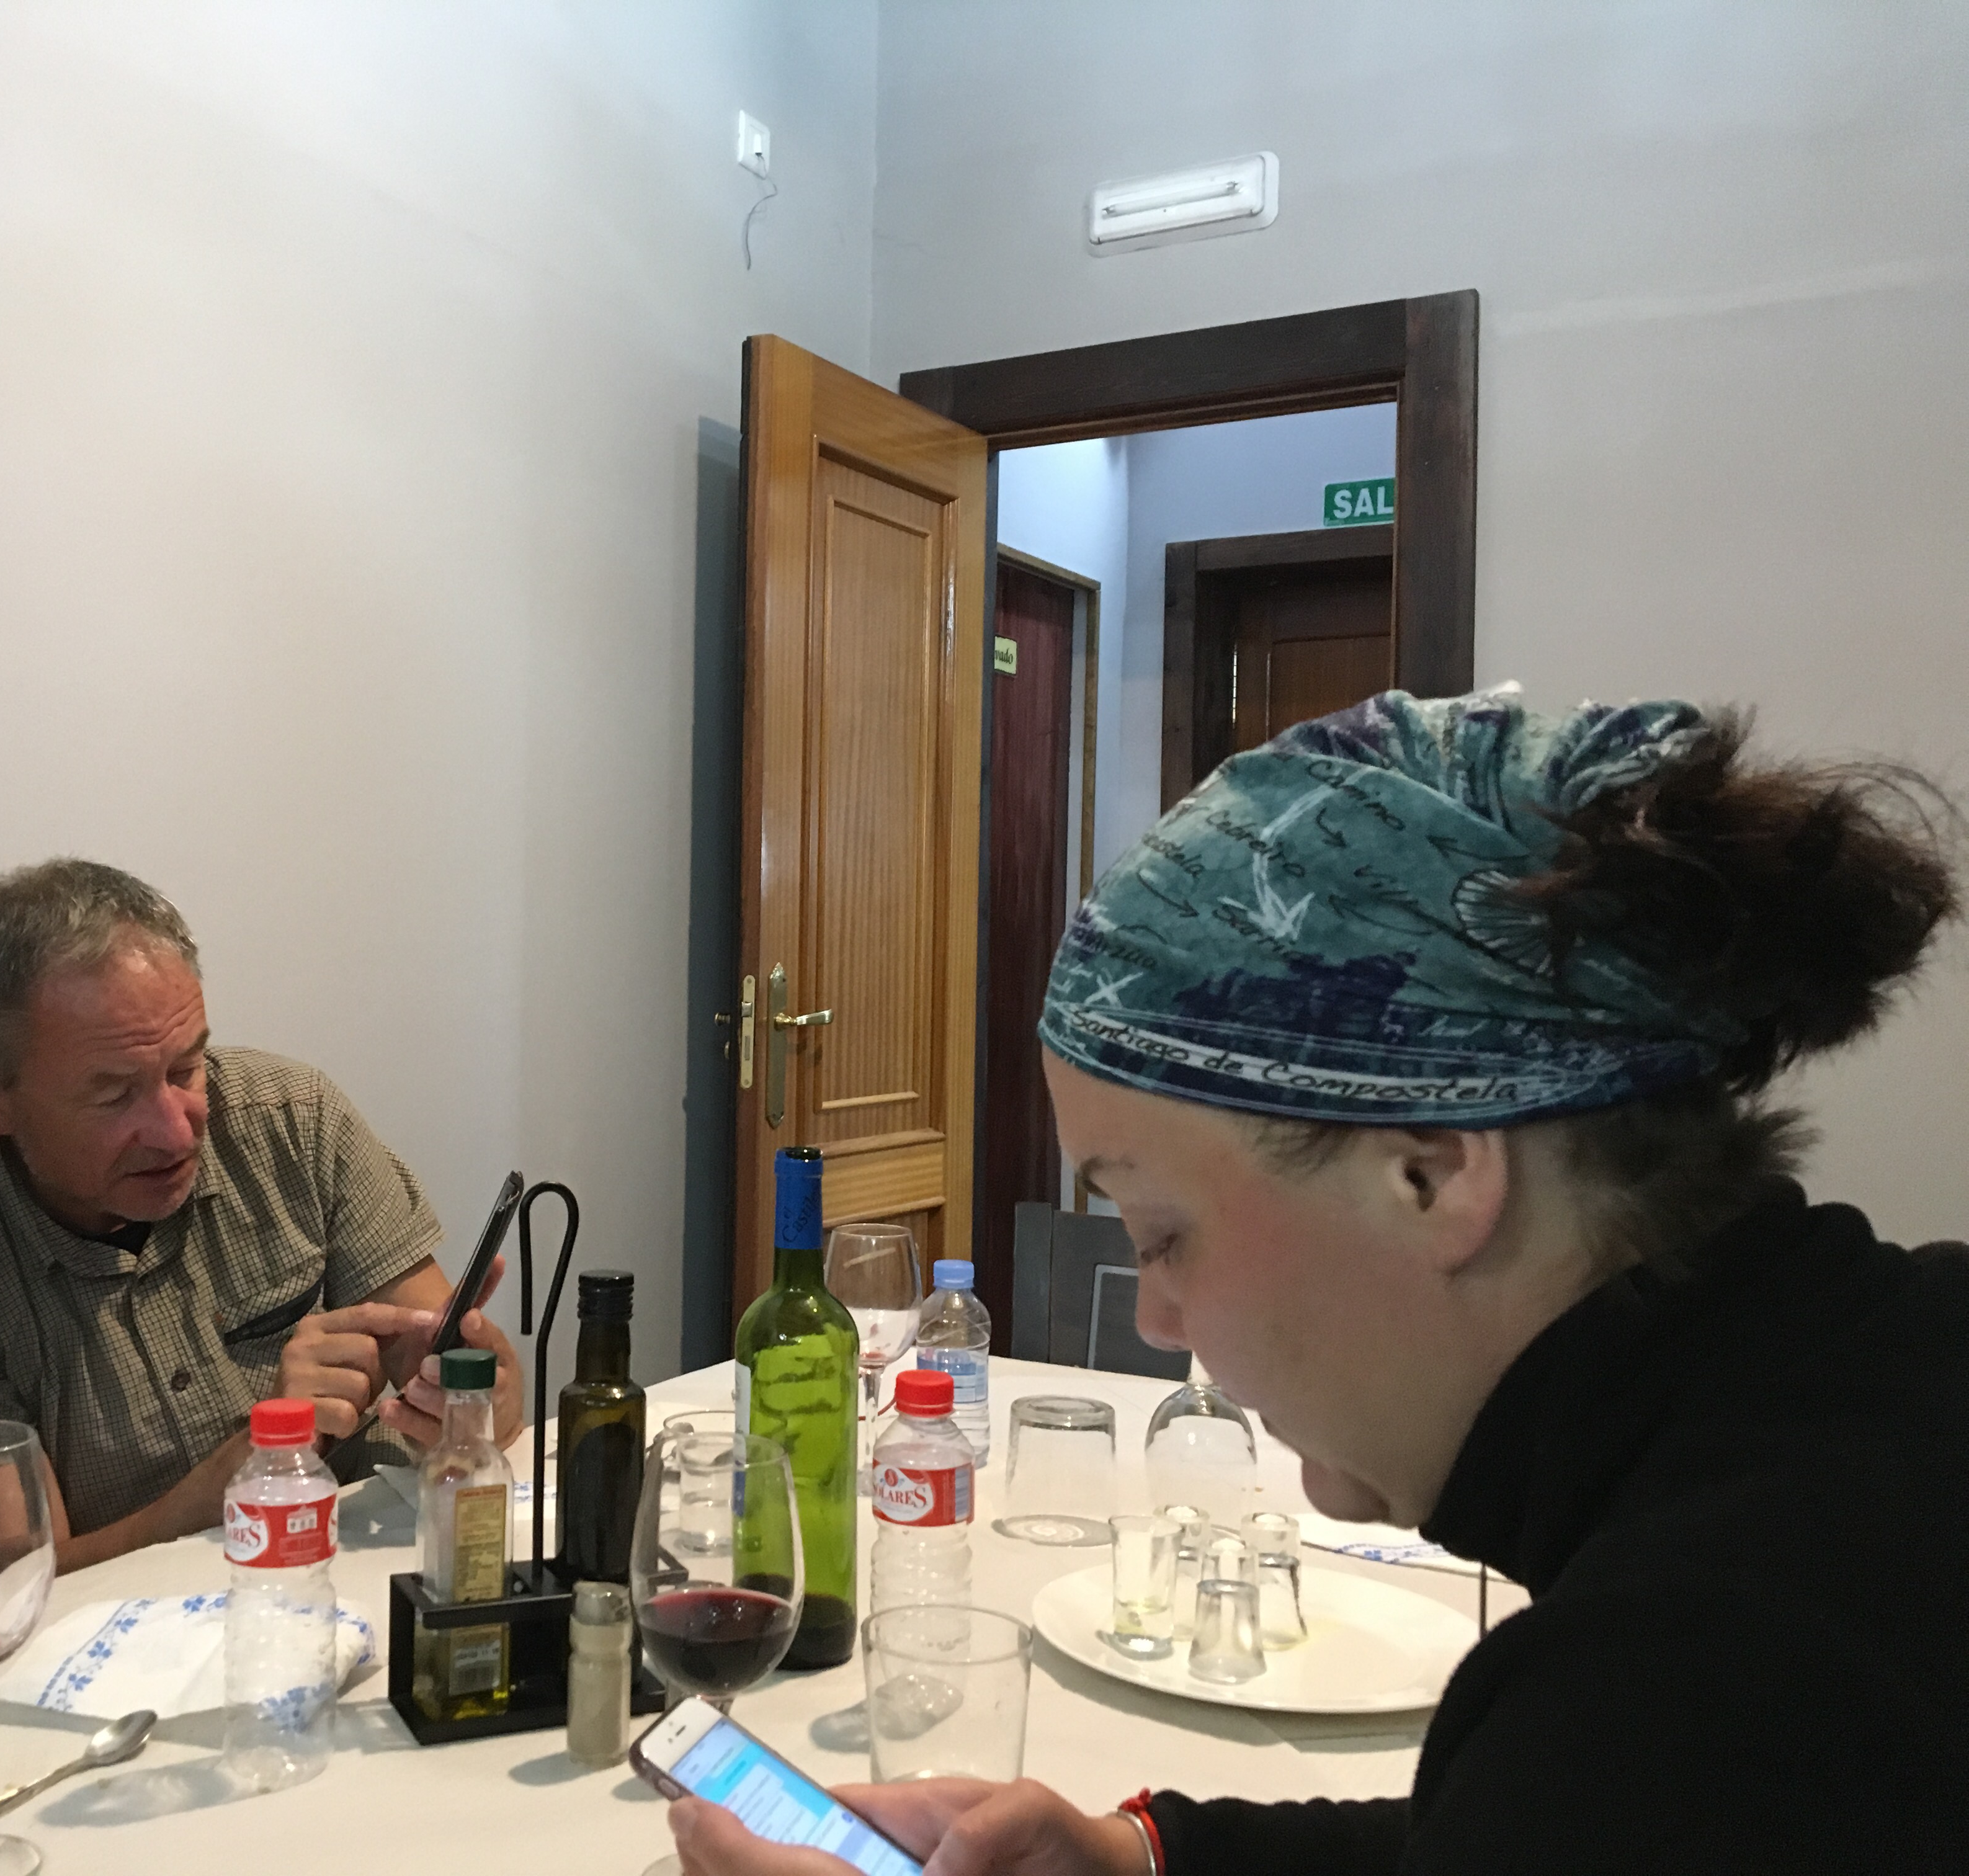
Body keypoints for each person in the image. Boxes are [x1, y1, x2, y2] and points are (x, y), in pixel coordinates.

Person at [667, 690, 1969, 1874]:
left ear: (1430, 1174)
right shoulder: (1886, 1377)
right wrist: (1147, 1857)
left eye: (1161, 1232)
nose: (1157, 1316)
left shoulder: (1690, 1686)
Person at [0, 858, 524, 1572]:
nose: (176, 1130)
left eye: (185, 1069)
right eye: (114, 1095)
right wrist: (253, 1463)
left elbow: (472, 1396)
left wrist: (473, 1402)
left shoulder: (294, 1120)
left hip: (368, 1563)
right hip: (135, 1624)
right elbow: (16, 1578)